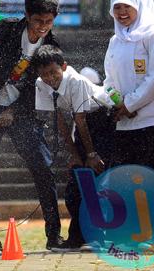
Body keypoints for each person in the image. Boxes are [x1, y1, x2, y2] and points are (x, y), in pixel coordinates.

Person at [0, 0, 64, 250]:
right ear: (27, 15)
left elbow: (39, 86)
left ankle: (54, 235)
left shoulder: (51, 47)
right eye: (38, 21)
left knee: (43, 168)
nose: (43, 27)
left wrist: (13, 111)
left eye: (49, 22)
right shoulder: (4, 30)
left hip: (23, 112)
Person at [32, 45, 115, 252]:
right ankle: (78, 237)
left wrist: (91, 154)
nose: (50, 78)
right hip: (81, 128)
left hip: (102, 122)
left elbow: (81, 119)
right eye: (44, 75)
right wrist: (75, 155)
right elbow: (60, 120)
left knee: (96, 181)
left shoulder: (75, 81)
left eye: (54, 72)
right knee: (75, 187)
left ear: (64, 67)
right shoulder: (41, 84)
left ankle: (102, 238)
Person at [104, 0, 154, 172]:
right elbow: (109, 80)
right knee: (125, 180)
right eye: (117, 7)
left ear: (140, 5)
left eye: (128, 6)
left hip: (151, 121)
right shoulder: (115, 40)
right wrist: (118, 103)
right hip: (124, 122)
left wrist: (130, 104)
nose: (122, 12)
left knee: (151, 180)